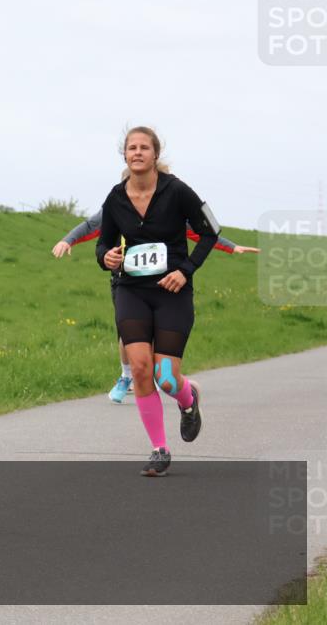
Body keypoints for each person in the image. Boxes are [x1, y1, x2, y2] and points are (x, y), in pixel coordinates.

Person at [95, 127, 220, 476]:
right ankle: (159, 449)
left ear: (155, 154)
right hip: (131, 290)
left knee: (166, 376)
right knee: (139, 368)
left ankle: (188, 399)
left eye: (144, 147)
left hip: (172, 292)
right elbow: (102, 244)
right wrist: (106, 257)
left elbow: (212, 230)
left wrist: (187, 270)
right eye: (131, 148)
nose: (137, 152)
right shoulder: (115, 198)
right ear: (125, 155)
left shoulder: (177, 190)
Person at [53, 210, 259, 403]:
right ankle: (126, 376)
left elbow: (197, 232)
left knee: (153, 331)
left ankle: (156, 376)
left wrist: (231, 246)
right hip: (125, 281)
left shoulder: (166, 206)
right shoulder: (116, 205)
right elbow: (90, 226)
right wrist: (67, 240)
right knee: (127, 332)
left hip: (159, 281)